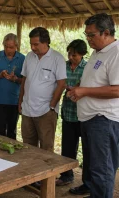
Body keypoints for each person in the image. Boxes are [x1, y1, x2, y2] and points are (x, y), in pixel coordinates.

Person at [67, 13, 119, 198]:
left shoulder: (116, 53)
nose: (87, 39)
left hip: (103, 120)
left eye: (91, 35)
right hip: (90, 118)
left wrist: (85, 92)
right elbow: (93, 82)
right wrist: (78, 90)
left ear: (106, 32)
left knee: (102, 170)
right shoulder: (98, 53)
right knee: (94, 167)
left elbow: (117, 90)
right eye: (86, 34)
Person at [18, 27, 66, 152]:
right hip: (27, 110)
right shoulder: (29, 56)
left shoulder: (57, 58)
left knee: (46, 148)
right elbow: (24, 80)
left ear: (46, 42)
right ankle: (30, 171)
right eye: (31, 44)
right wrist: (20, 102)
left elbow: (61, 84)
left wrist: (51, 106)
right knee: (28, 146)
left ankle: (47, 172)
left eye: (36, 44)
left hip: (46, 111)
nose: (33, 47)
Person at [56, 39, 87, 186]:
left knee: (88, 150)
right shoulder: (63, 67)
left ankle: (87, 181)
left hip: (84, 114)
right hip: (68, 113)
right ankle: (66, 175)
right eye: (69, 54)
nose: (71, 57)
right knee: (67, 147)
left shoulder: (87, 68)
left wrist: (76, 91)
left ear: (82, 54)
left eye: (74, 55)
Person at [0, 33, 25, 140]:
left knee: (12, 131)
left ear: (16, 46)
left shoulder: (23, 59)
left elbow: (26, 81)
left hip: (15, 100)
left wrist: (16, 79)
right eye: (6, 46)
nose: (8, 49)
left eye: (11, 47)